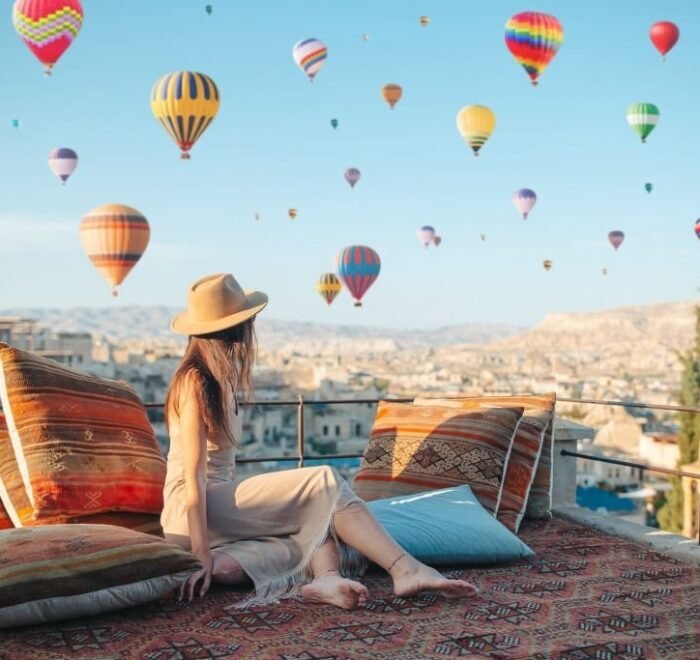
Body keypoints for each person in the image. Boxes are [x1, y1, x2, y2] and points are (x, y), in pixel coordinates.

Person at [161, 273, 479, 610]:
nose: (252, 325)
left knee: (304, 522)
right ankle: (405, 568)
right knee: (323, 480)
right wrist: (200, 555)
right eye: (248, 318)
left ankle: (325, 578)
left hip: (220, 507)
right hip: (193, 510)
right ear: (233, 326)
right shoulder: (194, 381)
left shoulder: (218, 378)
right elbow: (194, 478)